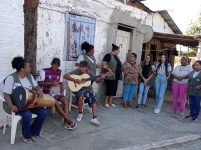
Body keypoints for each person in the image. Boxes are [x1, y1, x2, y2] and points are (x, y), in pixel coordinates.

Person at [3, 56, 48, 144]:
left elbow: (35, 86)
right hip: (17, 105)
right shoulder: (11, 78)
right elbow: (6, 94)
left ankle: (34, 132)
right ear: (22, 69)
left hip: (30, 103)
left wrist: (39, 90)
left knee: (43, 112)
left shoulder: (29, 76)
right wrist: (11, 106)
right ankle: (26, 135)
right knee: (27, 115)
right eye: (28, 67)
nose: (30, 68)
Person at [38, 58, 77, 130]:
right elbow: (39, 83)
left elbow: (61, 83)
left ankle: (66, 122)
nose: (55, 67)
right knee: (55, 102)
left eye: (57, 66)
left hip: (57, 93)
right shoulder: (44, 71)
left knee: (65, 99)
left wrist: (61, 87)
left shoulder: (60, 72)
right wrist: (51, 83)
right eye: (54, 65)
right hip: (47, 94)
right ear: (51, 64)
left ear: (59, 66)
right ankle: (69, 120)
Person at [64, 61, 105, 126]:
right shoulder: (77, 71)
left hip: (88, 89)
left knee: (93, 99)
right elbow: (65, 75)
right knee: (80, 97)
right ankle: (80, 113)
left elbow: (97, 81)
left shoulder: (90, 73)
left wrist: (102, 79)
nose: (80, 70)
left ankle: (94, 118)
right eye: (80, 68)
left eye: (82, 68)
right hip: (78, 89)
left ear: (86, 67)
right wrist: (75, 80)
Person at [102, 44, 122, 108]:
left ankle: (110, 102)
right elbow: (104, 64)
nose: (119, 52)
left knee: (113, 89)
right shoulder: (108, 55)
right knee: (109, 89)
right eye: (118, 51)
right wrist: (109, 69)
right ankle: (105, 102)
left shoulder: (117, 57)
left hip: (116, 75)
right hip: (110, 76)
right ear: (115, 50)